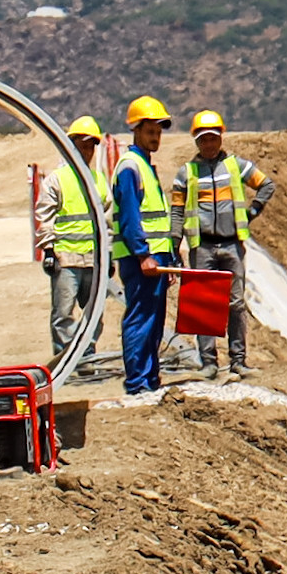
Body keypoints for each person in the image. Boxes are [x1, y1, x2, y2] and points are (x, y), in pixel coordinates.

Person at [172, 110, 274, 379]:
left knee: (235, 304)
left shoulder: (235, 166)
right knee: (204, 304)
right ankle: (209, 363)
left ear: (220, 138)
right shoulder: (187, 173)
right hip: (202, 245)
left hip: (231, 245)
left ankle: (238, 360)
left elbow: (266, 185)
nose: (208, 144)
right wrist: (174, 241)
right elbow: (177, 211)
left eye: (213, 138)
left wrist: (253, 212)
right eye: (203, 139)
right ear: (197, 140)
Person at [111, 96, 179, 395]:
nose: (156, 137)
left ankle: (150, 379)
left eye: (159, 132)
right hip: (141, 258)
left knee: (154, 319)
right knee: (141, 317)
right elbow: (129, 217)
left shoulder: (145, 166)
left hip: (156, 257)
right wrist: (144, 255)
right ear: (136, 130)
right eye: (151, 131)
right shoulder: (130, 166)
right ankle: (137, 383)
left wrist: (169, 258)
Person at [41, 116, 108, 363]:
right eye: (83, 145)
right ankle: (66, 361)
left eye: (91, 146)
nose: (87, 151)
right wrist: (48, 251)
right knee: (63, 314)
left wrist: (107, 254)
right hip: (66, 258)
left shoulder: (99, 180)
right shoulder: (57, 180)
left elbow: (108, 221)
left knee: (94, 313)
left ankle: (86, 358)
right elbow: (45, 216)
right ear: (71, 146)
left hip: (93, 260)